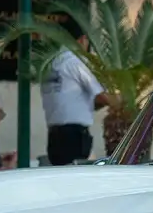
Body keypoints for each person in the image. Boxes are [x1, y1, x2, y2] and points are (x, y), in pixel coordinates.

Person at [41, 34, 109, 165]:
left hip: (54, 136)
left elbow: (70, 100)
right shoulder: (76, 62)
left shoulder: (51, 64)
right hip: (74, 136)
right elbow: (101, 95)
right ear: (82, 39)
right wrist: (122, 103)